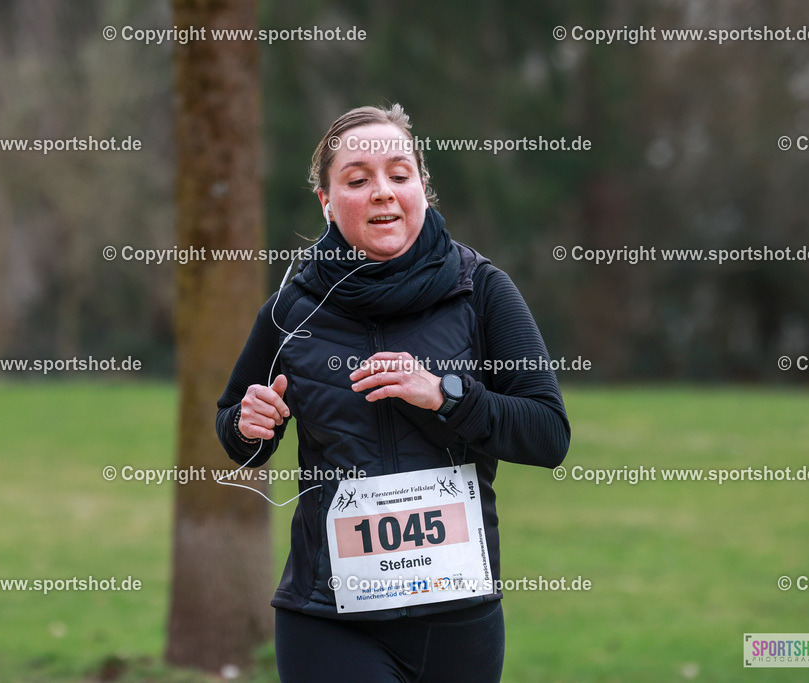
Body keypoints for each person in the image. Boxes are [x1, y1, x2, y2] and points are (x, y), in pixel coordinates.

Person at [216, 104, 570, 682]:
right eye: (358, 180)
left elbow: (548, 433)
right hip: (328, 616)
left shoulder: (480, 290)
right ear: (327, 203)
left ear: (422, 188)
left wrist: (446, 394)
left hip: (458, 619)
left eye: (399, 175)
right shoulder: (292, 309)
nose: (383, 192)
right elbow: (237, 429)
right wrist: (249, 424)